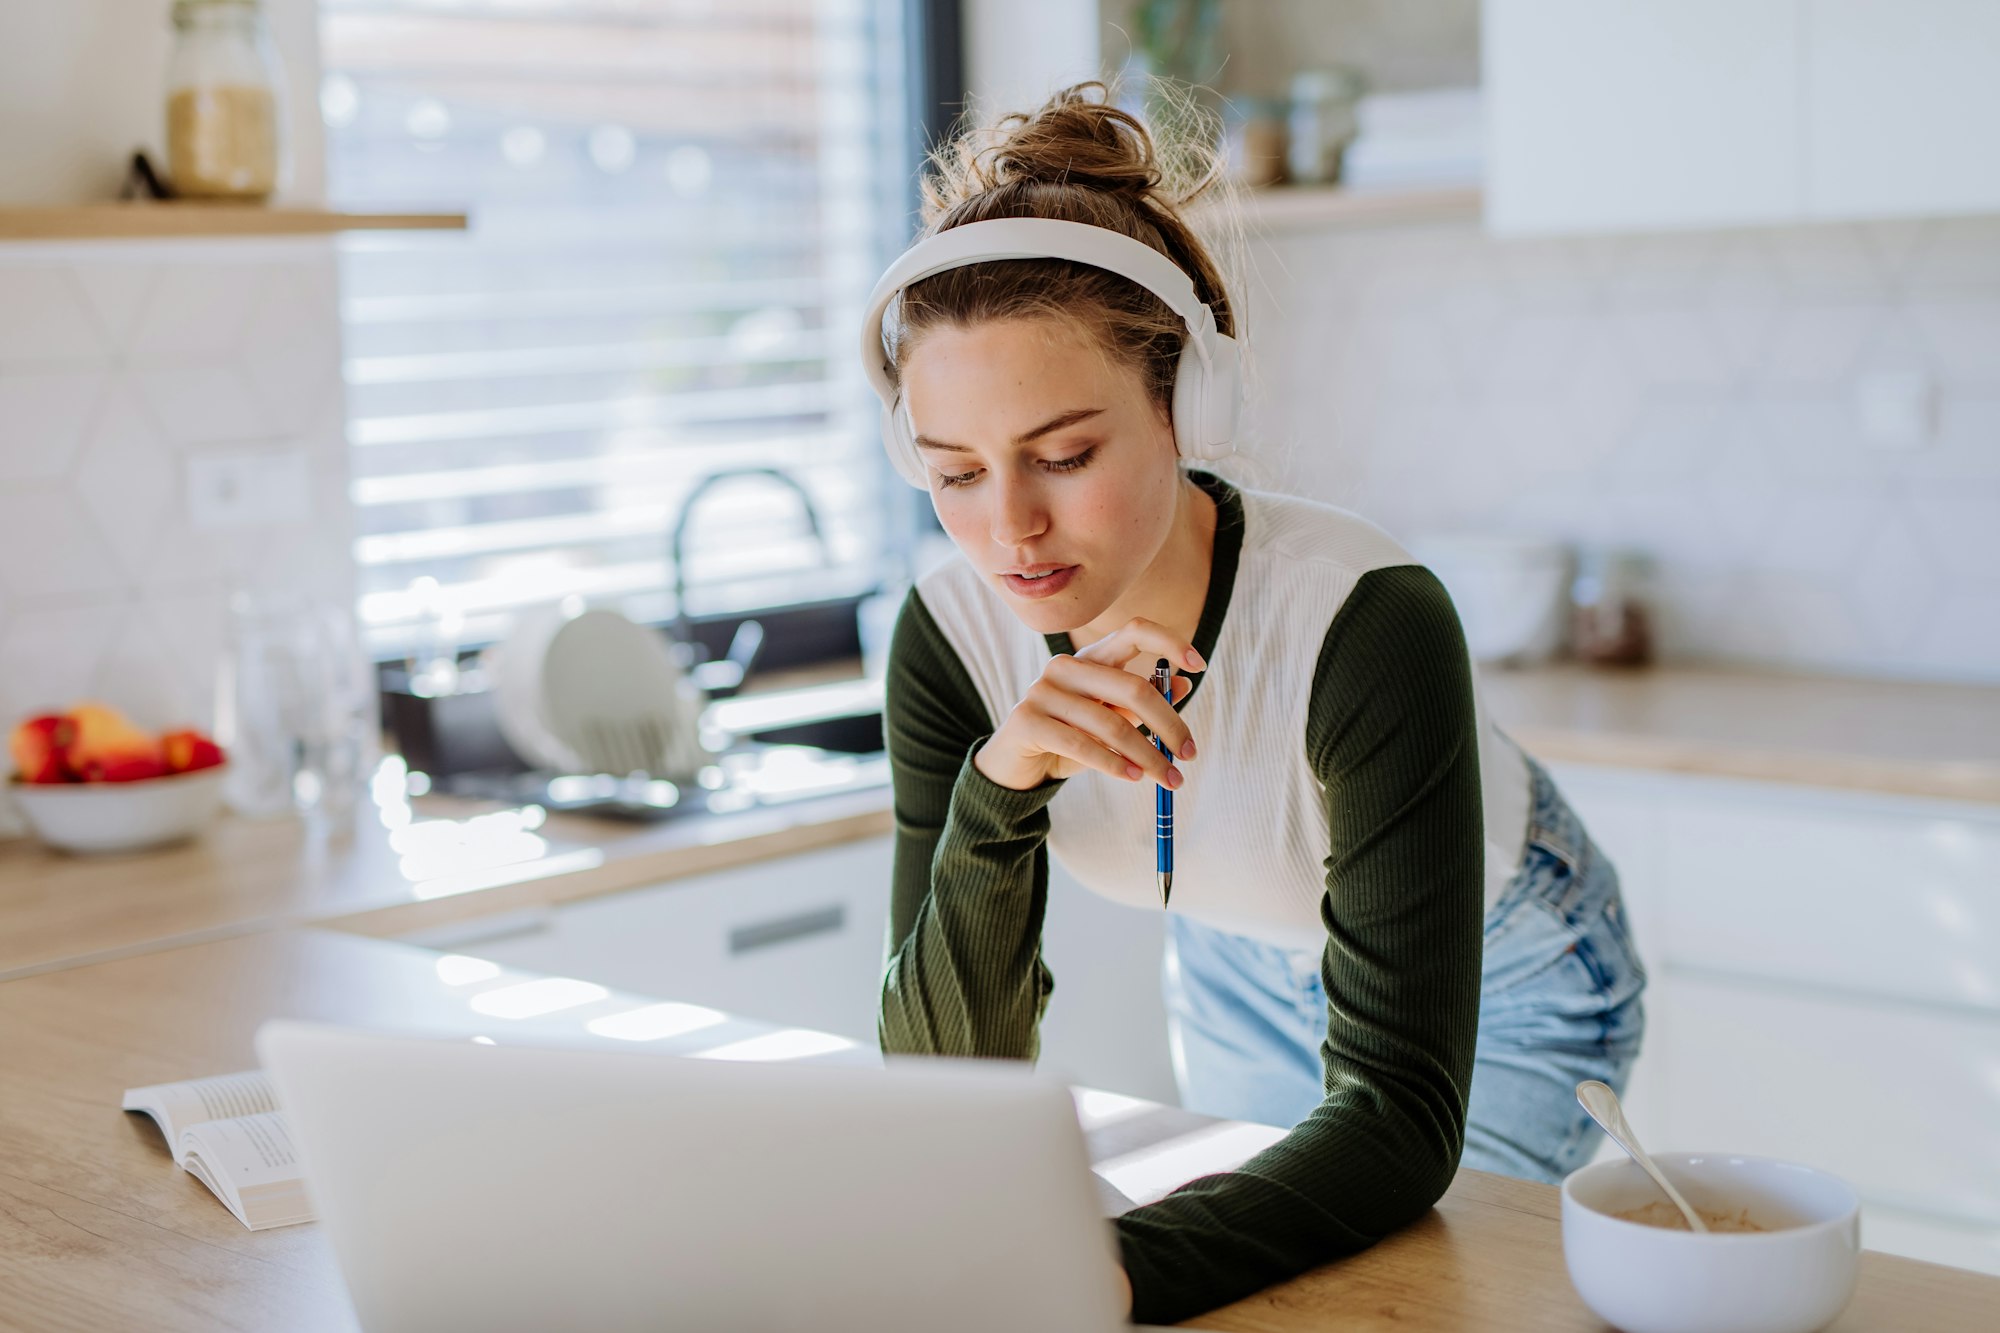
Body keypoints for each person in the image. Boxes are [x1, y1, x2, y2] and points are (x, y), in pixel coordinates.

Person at [869, 81, 1646, 1327]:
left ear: (1188, 407)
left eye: (1063, 456)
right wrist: (996, 791)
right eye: (954, 472)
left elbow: (1398, 1117)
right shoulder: (948, 640)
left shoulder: (1361, 619)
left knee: (1395, 1300)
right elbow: (939, 1085)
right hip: (1237, 955)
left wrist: (1123, 1269)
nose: (1007, 529)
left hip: (1508, 967)